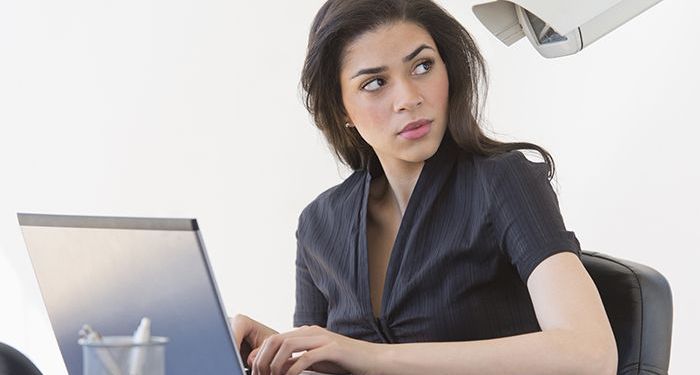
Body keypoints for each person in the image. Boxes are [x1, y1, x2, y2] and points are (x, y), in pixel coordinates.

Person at [232, 1, 618, 374]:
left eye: (422, 66)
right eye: (376, 83)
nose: (409, 98)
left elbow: (589, 353)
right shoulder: (319, 223)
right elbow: (332, 362)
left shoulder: (503, 182)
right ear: (341, 110)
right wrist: (281, 352)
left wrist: (370, 358)